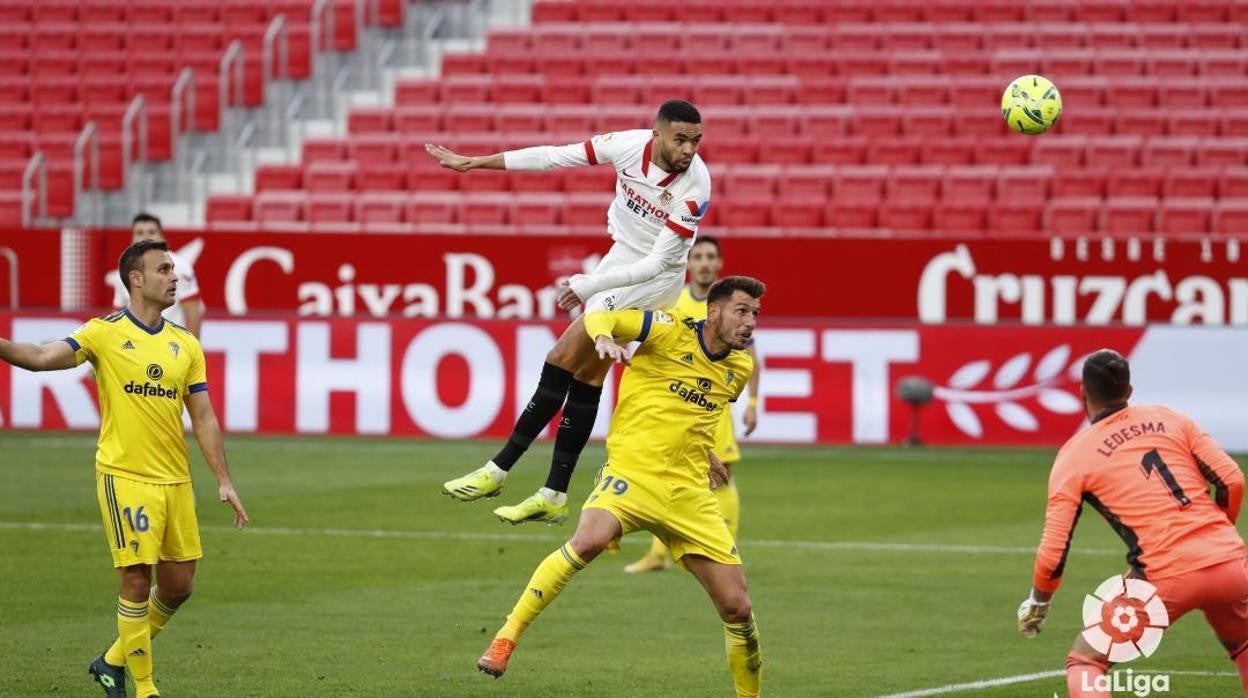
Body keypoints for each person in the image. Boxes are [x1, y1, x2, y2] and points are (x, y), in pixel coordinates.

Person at [476, 276, 766, 698]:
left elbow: (695, 411)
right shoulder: (665, 328)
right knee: (588, 540)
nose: (750, 323)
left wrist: (704, 453)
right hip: (632, 475)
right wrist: (604, 340)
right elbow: (604, 315)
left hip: (687, 493)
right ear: (714, 311)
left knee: (737, 607)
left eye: (755, 314)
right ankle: (505, 637)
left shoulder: (740, 367)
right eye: (742, 311)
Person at [430, 99, 713, 525]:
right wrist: (476, 164)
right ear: (656, 135)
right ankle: (553, 493)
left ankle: (499, 469)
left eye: (696, 140)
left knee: (561, 358)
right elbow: (552, 156)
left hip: (656, 279)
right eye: (680, 139)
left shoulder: (695, 187)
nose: (689, 149)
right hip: (621, 257)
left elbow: (657, 263)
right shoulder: (626, 145)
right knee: (585, 374)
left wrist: (588, 286)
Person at [0, 239, 249, 697]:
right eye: (163, 269)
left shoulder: (185, 344)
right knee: (136, 577)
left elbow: (203, 416)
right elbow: (37, 358)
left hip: (175, 479)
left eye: (173, 269)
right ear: (136, 279)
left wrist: (223, 479)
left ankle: (111, 661)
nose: (174, 277)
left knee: (179, 585)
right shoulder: (103, 333)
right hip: (125, 475)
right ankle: (145, 687)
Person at [1016, 349, 1247, 696]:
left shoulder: (1074, 456)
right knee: (1244, 646)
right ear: (1129, 391)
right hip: (1231, 562)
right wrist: (1215, 538)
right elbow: (1232, 480)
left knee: (1086, 661)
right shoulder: (1169, 418)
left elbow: (1054, 549)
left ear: (1083, 393)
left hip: (1163, 573)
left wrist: (1039, 600)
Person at [625, 235, 761, 573]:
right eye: (697, 256)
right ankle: (658, 555)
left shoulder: (732, 306)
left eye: (709, 256)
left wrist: (753, 402)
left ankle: (724, 545)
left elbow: (750, 356)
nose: (703, 262)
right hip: (676, 406)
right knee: (667, 475)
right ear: (689, 262)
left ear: (718, 263)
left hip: (712, 408)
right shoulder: (674, 300)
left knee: (722, 475)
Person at [109, 213, 204, 337]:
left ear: (161, 236)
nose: (146, 236)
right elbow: (118, 313)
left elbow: (192, 312)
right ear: (132, 238)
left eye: (151, 232)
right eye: (140, 233)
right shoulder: (125, 269)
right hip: (136, 347)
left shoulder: (178, 267)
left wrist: (193, 351)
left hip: (170, 346)